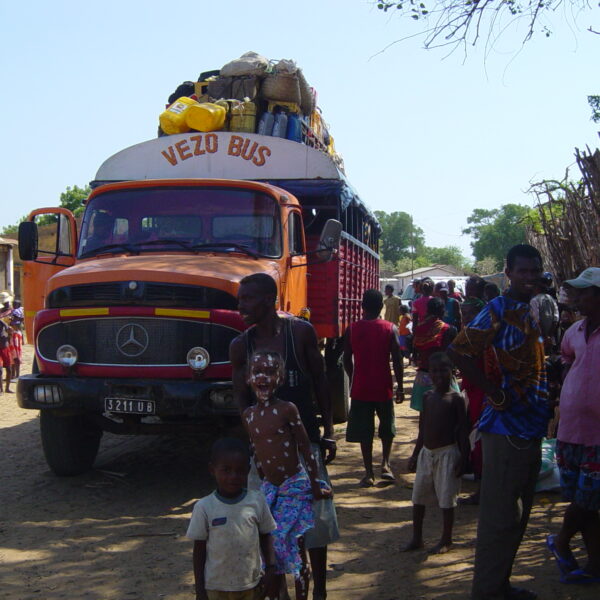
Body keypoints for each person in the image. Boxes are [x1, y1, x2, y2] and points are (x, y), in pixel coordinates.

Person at [448, 244, 550, 600]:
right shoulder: (497, 309)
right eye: (523, 271)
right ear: (508, 273)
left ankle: (501, 585)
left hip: (531, 426)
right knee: (499, 518)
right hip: (505, 428)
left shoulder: (532, 309)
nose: (530, 277)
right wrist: (492, 391)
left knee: (518, 515)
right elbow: (458, 350)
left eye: (534, 270)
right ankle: (488, 591)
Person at [229, 273, 339, 600]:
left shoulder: (300, 334)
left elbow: (321, 382)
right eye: (240, 299)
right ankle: (279, 592)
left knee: (314, 526)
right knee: (266, 527)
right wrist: (255, 444)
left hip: (304, 451)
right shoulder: (241, 346)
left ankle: (319, 589)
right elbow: (241, 402)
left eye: (247, 299)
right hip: (264, 455)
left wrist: (329, 432)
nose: (240, 306)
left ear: (268, 300)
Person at [242, 351, 332, 600]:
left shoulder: (287, 410)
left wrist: (315, 484)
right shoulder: (249, 415)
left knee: (293, 545)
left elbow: (305, 448)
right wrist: (262, 487)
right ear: (249, 378)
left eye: (270, 372)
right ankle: (280, 594)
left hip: (295, 485)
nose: (263, 377)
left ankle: (303, 593)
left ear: (280, 378)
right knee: (269, 549)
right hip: (270, 489)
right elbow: (257, 453)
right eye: (257, 372)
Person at [546, 267, 600, 584]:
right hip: (571, 430)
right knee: (587, 505)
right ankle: (595, 565)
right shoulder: (574, 332)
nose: (577, 298)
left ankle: (561, 540)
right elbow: (566, 362)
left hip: (597, 435)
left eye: (585, 292)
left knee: (587, 499)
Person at [187, 437, 278, 600]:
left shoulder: (257, 501)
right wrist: (200, 590)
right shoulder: (204, 507)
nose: (233, 476)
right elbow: (199, 550)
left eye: (240, 470)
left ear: (248, 470)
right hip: (216, 587)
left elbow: (266, 535)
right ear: (212, 469)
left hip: (250, 584)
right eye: (226, 470)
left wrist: (271, 568)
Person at [403, 352, 470, 554]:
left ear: (453, 372)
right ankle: (417, 538)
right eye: (434, 370)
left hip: (447, 454)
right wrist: (415, 455)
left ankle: (446, 539)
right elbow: (422, 429)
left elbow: (463, 430)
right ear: (428, 374)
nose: (439, 374)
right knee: (418, 497)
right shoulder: (427, 396)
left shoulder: (456, 399)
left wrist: (464, 459)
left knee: (447, 499)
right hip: (427, 453)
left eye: (443, 370)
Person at [344, 289, 405, 487]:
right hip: (383, 386)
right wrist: (400, 387)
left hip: (361, 387)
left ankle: (368, 472)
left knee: (365, 430)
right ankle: (385, 465)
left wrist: (354, 377)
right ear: (381, 307)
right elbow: (397, 360)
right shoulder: (390, 328)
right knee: (387, 428)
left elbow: (346, 359)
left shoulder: (352, 329)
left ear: (362, 306)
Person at [410, 297, 458, 412]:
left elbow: (415, 353)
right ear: (442, 311)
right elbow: (453, 354)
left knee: (424, 415)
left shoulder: (419, 329)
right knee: (448, 414)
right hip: (444, 377)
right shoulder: (448, 329)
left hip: (423, 376)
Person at [530, 278, 559, 353]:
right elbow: (556, 318)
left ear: (537, 289)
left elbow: (536, 320)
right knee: (550, 356)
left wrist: (544, 336)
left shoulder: (534, 300)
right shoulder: (551, 299)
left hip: (540, 337)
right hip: (550, 337)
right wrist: (549, 335)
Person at [9, 299, 24, 380]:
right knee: (14, 355)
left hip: (15, 335)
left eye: (15, 304)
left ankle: (16, 375)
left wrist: (11, 319)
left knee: (16, 356)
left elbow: (16, 321)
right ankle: (14, 375)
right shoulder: (19, 311)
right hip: (16, 334)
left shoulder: (16, 312)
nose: (14, 305)